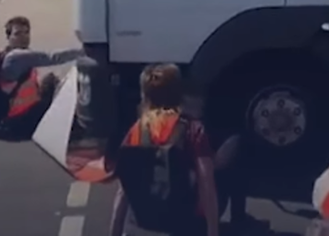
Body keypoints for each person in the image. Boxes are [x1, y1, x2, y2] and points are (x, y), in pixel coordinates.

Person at [108, 64, 258, 236]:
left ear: (145, 97)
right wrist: (212, 232)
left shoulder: (136, 131)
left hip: (146, 219)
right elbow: (206, 183)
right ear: (179, 94)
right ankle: (239, 221)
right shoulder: (192, 129)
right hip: (186, 220)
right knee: (235, 150)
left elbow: (123, 190)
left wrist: (115, 232)